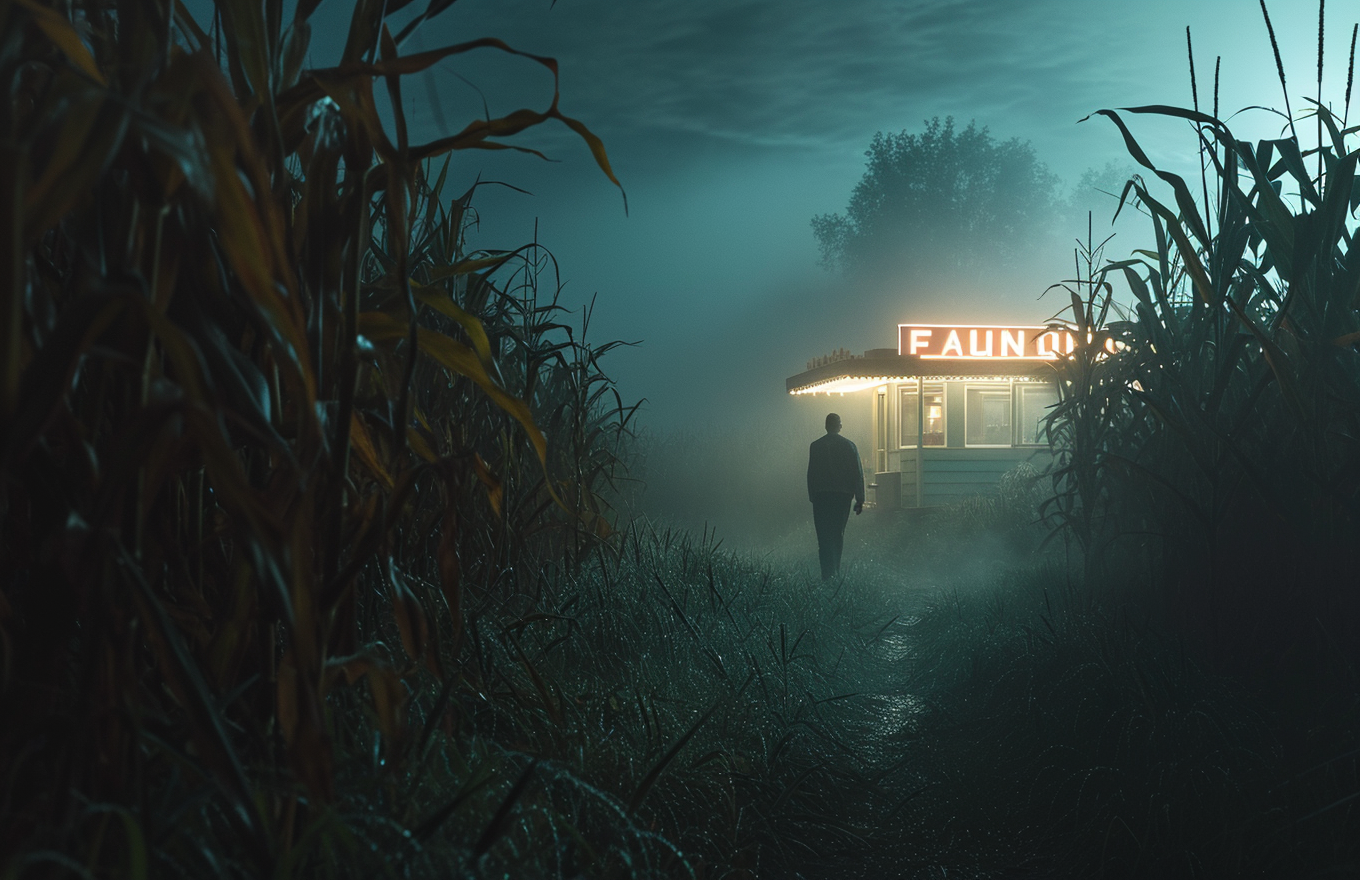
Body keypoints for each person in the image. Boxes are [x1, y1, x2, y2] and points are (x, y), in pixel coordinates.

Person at [806, 412, 865, 580]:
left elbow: (811, 474)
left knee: (823, 535)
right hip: (842, 496)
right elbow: (857, 473)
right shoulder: (849, 446)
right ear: (839, 426)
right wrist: (860, 499)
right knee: (837, 533)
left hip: (821, 496)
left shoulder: (815, 446)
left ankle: (827, 573)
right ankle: (835, 572)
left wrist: (812, 495)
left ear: (826, 426)